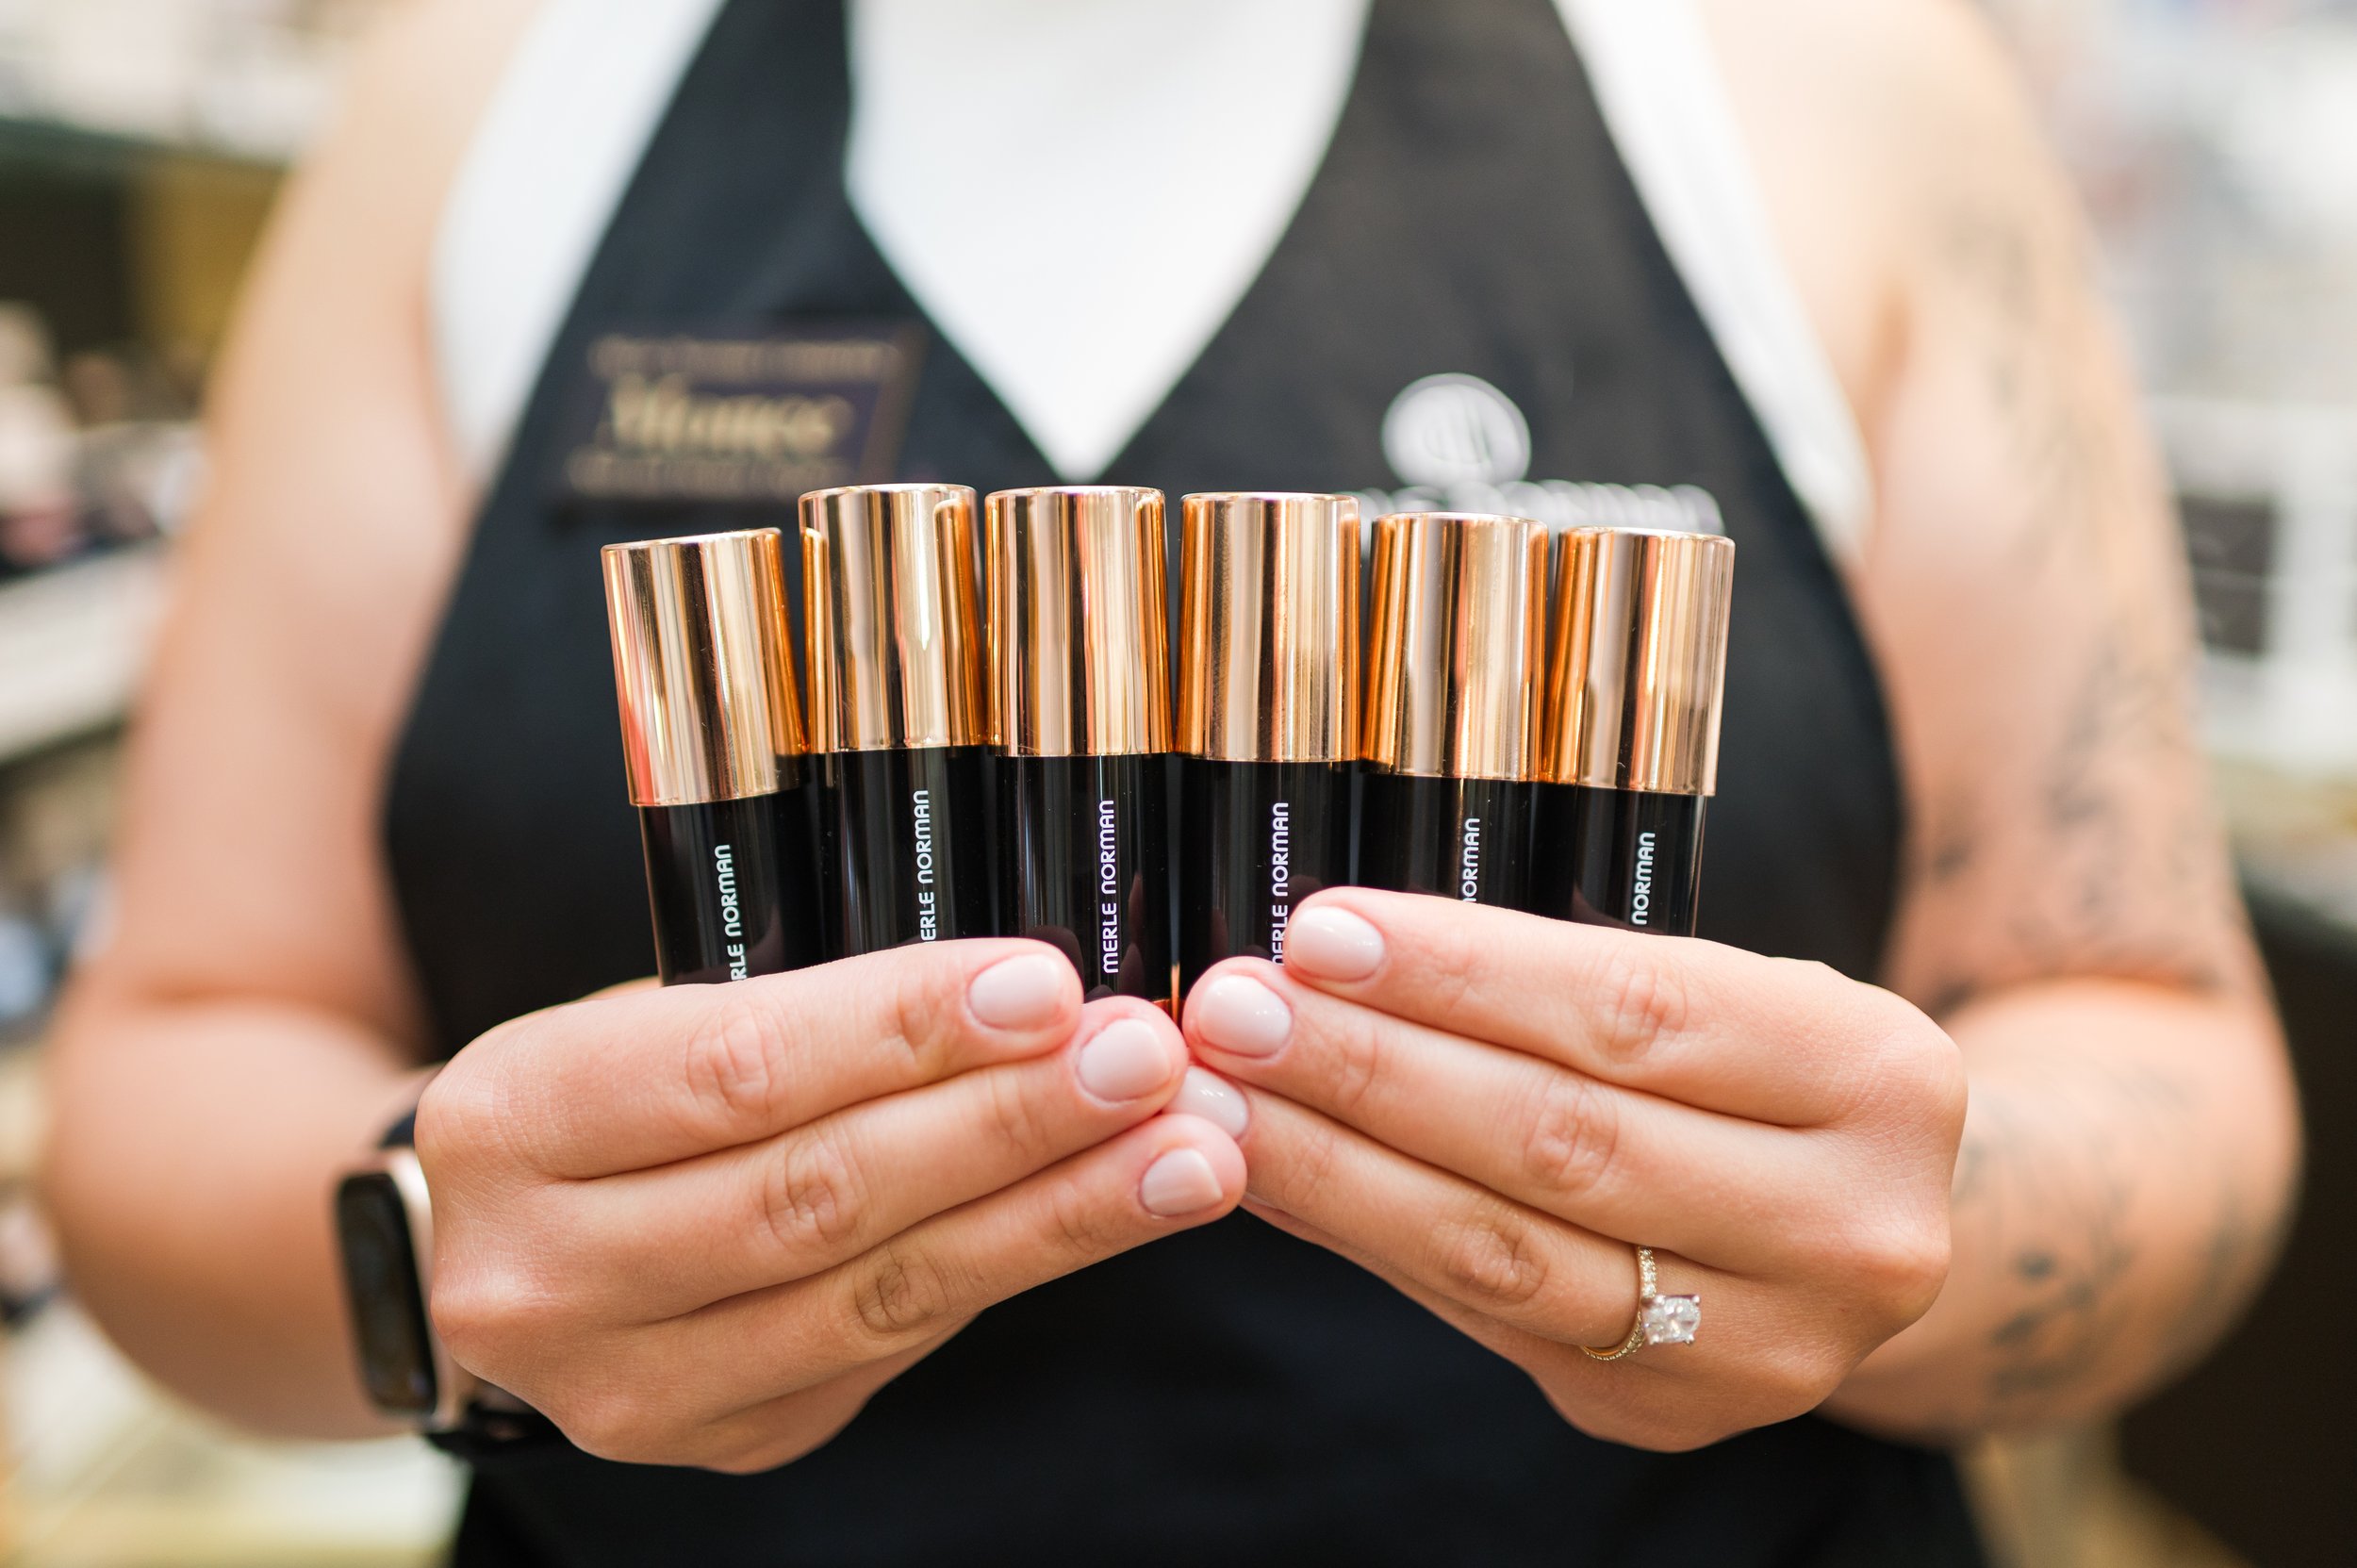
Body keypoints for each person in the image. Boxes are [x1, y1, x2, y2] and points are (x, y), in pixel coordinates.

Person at [41, 0, 2298, 1562]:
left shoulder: (1831, 91)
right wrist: (440, 1262)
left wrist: (1884, 1247)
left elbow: (2158, 1041)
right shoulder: (490, 98)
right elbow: (168, 1068)